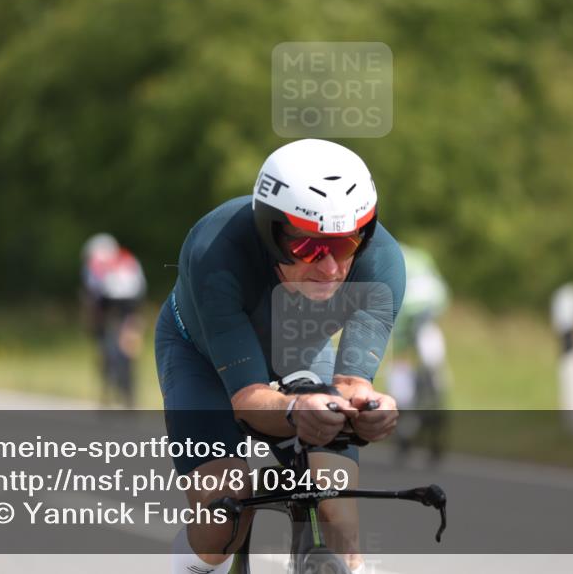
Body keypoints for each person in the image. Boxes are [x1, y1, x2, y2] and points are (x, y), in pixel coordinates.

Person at [155, 139, 405, 574]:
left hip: (301, 353)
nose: (329, 268)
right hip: (201, 360)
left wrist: (371, 408)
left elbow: (351, 385)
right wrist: (295, 409)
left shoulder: (383, 264)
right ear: (270, 231)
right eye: (309, 247)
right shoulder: (216, 253)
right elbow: (247, 398)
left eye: (345, 245)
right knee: (222, 518)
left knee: (339, 517)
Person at [387, 244, 451, 463]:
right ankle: (437, 415)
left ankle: (404, 433)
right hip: (429, 315)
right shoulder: (419, 254)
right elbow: (442, 292)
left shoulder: (383, 256)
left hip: (406, 320)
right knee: (435, 374)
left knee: (400, 374)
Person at [80, 233, 147, 408]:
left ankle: (108, 395)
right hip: (131, 310)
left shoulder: (95, 264)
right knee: (128, 354)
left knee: (107, 352)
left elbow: (94, 297)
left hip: (109, 310)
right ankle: (129, 398)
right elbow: (140, 290)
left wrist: (94, 323)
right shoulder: (129, 260)